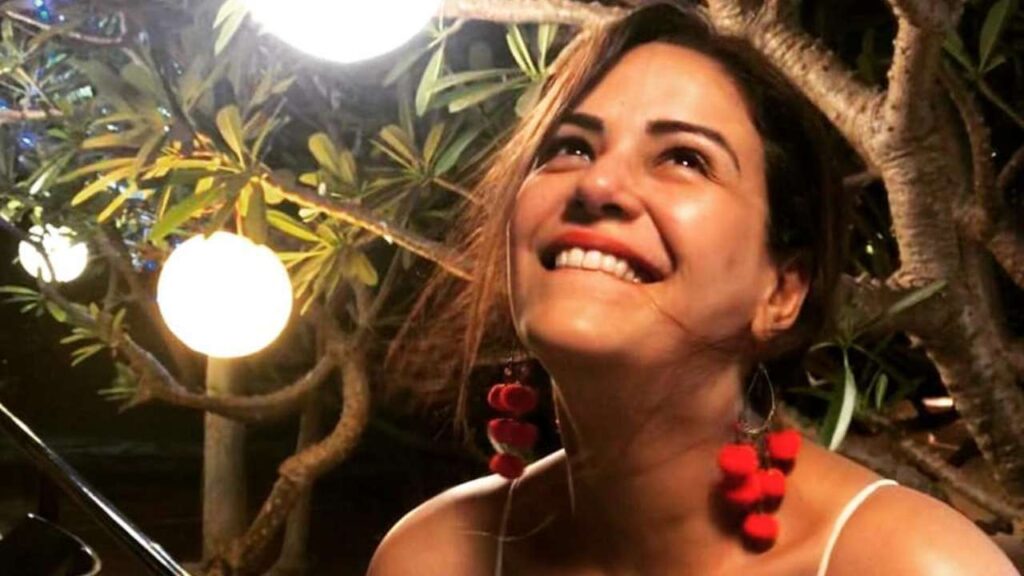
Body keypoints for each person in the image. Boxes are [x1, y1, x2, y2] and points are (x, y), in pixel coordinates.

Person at [368, 3, 1020, 575]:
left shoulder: (908, 563)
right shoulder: (434, 559)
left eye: (685, 158)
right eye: (571, 148)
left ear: (781, 291)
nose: (597, 185)